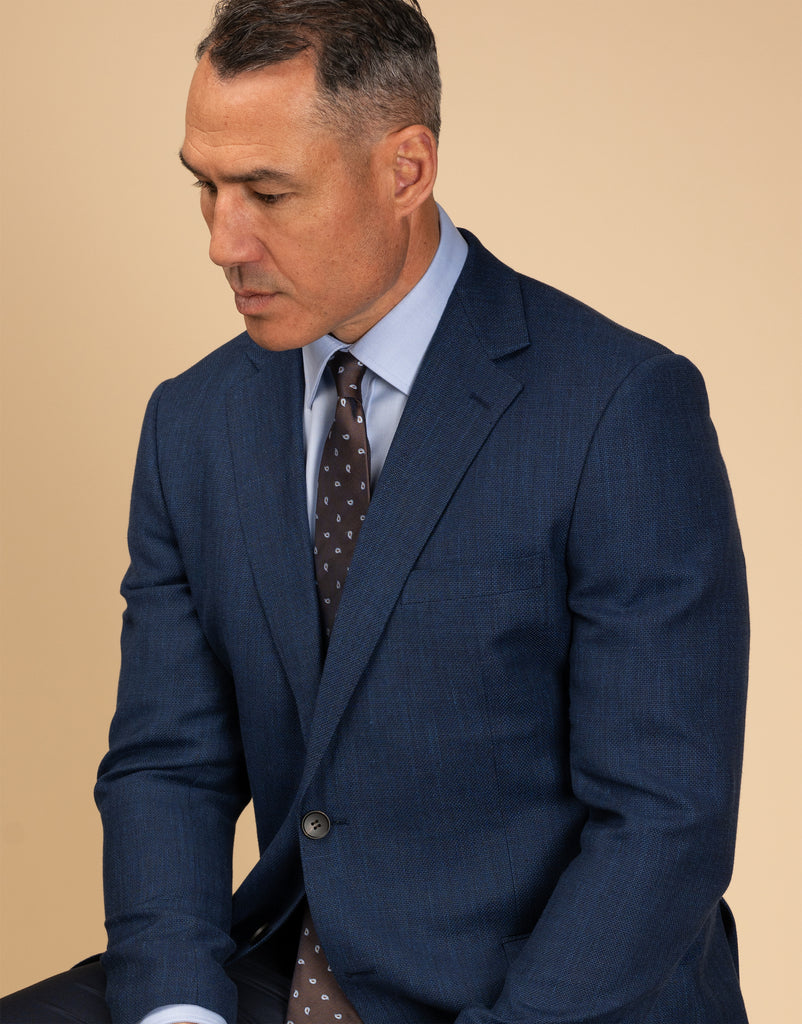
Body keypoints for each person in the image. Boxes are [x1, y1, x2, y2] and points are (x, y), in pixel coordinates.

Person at [0, 1, 750, 1022]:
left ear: (406, 170)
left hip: (543, 990)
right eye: (205, 187)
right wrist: (180, 1007)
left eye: (268, 192)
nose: (223, 241)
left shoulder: (619, 407)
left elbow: (664, 822)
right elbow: (167, 765)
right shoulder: (192, 422)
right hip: (281, 964)